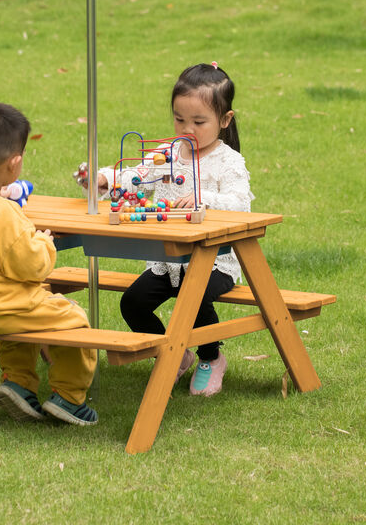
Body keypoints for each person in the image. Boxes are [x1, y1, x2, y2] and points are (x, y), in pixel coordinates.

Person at [90, 63, 253, 397]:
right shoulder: (167, 153)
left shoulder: (228, 161)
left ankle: (211, 356)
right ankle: (175, 352)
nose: (187, 128)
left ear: (224, 120)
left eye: (198, 122)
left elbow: (240, 205)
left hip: (215, 262)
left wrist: (203, 198)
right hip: (170, 260)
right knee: (132, 303)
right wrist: (108, 178)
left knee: (191, 297)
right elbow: (137, 176)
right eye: (180, 119)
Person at [0, 101, 98, 426]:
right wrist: (43, 240)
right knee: (74, 318)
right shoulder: (5, 213)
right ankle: (70, 397)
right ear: (14, 164)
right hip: (4, 308)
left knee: (21, 319)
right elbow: (34, 267)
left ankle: (18, 382)